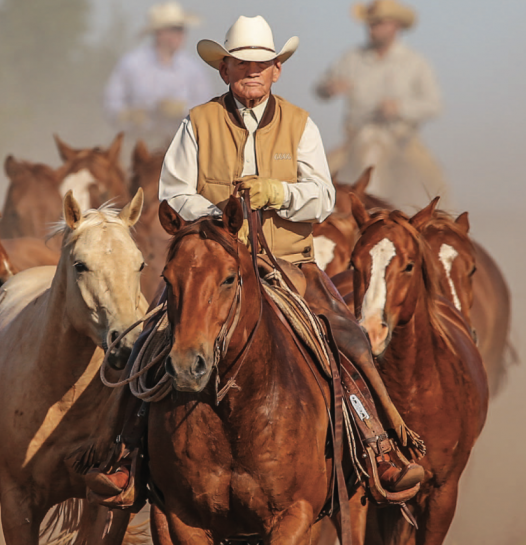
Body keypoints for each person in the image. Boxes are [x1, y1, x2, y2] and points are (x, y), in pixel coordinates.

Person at [84, 14, 424, 506]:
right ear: (224, 70)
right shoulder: (196, 122)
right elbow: (174, 191)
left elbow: (323, 196)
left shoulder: (301, 124)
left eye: (262, 64)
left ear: (277, 70)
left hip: (286, 263)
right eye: (242, 64)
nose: (252, 72)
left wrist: (279, 193)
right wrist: (217, 218)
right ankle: (123, 455)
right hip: (209, 261)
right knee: (150, 338)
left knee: (347, 338)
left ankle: (380, 445)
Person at [316, 0, 447, 210]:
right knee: (316, 177)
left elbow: (434, 105)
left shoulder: (415, 62)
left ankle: (446, 233)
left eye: (378, 23)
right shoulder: (352, 58)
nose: (372, 28)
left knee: (436, 185)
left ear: (396, 26)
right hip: (356, 140)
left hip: (402, 142)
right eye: (370, 23)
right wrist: (329, 87)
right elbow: (320, 89)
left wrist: (400, 108)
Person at [103, 2, 213, 146]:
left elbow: (208, 110)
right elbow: (110, 103)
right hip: (137, 142)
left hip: (182, 143)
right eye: (175, 29)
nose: (181, 34)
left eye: (181, 29)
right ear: (159, 32)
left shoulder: (193, 69)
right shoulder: (131, 64)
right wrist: (128, 115)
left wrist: (182, 110)